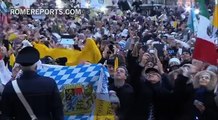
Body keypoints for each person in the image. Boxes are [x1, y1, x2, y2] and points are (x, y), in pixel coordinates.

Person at [1, 46, 64, 120]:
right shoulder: (50, 83)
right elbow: (58, 113)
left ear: (20, 66)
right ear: (36, 66)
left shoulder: (10, 87)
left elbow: (5, 115)